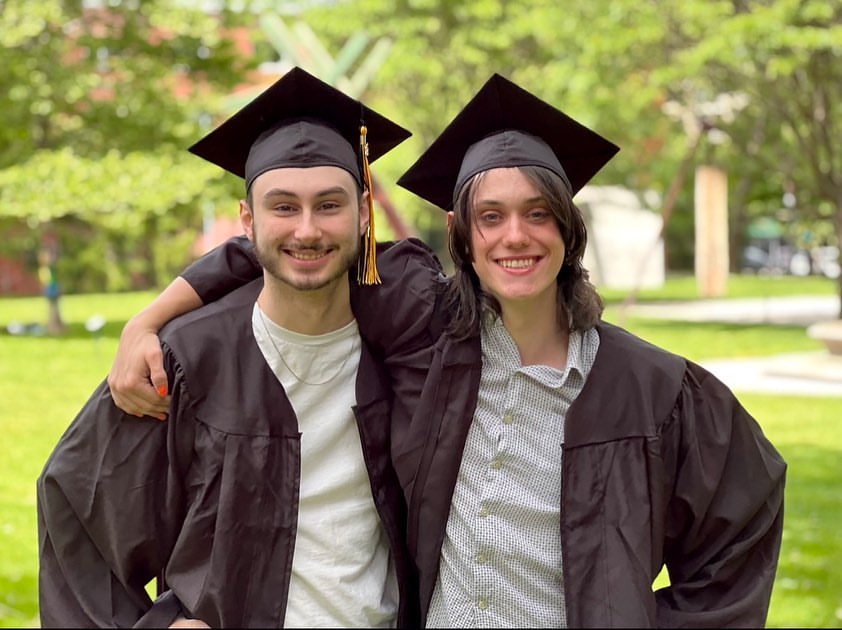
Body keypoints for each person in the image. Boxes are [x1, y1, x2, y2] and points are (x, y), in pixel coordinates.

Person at [107, 73, 787, 628]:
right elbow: (298, 243)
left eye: (538, 213)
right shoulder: (425, 336)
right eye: (491, 216)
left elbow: (743, 525)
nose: (514, 237)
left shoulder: (651, 386)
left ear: (568, 227)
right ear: (462, 234)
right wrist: (152, 317)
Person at [37, 66, 445, 628]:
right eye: (283, 207)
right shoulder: (186, 359)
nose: (307, 230)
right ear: (247, 222)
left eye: (329, 205)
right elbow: (77, 513)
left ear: (364, 214)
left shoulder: (408, 336)